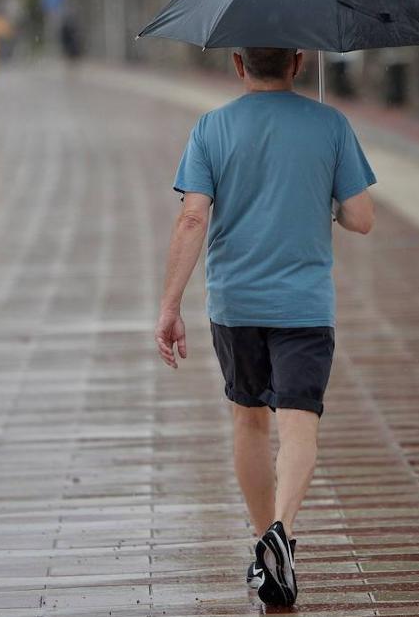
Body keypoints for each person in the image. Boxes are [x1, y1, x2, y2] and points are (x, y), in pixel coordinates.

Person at [154, 47, 375, 607]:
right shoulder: (330, 124)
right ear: (298, 63)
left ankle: (263, 544)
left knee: (249, 419)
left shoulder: (211, 129)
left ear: (237, 63)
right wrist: (323, 193)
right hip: (303, 304)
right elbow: (362, 218)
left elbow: (192, 216)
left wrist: (170, 305)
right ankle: (284, 529)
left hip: (237, 302)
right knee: (300, 424)